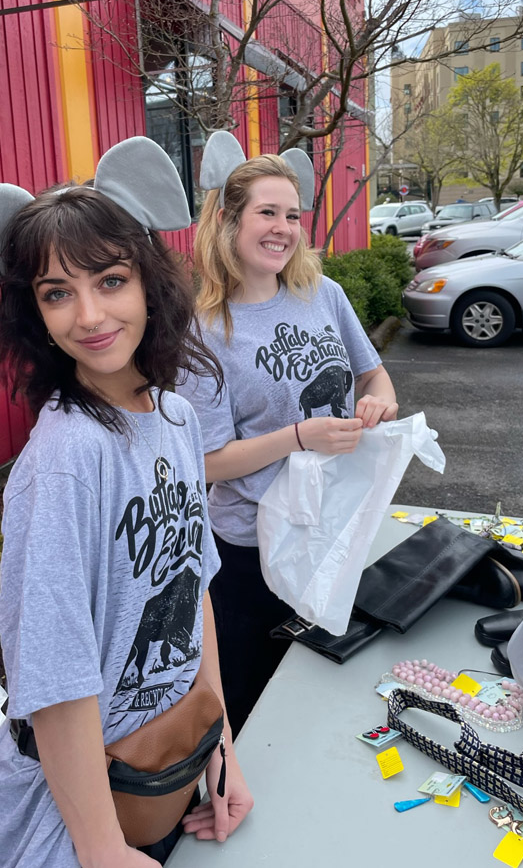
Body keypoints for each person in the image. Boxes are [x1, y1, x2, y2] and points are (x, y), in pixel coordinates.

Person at [0, 138, 252, 868]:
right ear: (34, 313)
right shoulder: (66, 462)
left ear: (149, 281)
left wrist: (220, 748)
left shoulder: (177, 418)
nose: (88, 314)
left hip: (165, 770)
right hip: (71, 818)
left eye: (111, 279)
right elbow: (54, 681)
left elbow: (193, 591)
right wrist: (99, 849)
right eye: (57, 292)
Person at [180, 132, 399, 735]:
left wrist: (380, 403)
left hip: (335, 523)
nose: (283, 228)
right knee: (250, 701)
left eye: (293, 215)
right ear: (227, 221)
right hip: (254, 551)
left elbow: (375, 375)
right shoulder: (204, 330)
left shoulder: (321, 294)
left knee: (322, 688)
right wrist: (299, 436)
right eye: (267, 213)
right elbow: (205, 462)